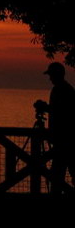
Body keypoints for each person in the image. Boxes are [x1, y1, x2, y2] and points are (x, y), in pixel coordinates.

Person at [40, 62, 75, 193]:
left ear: (56, 75)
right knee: (62, 173)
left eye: (51, 75)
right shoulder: (66, 89)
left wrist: (46, 108)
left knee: (57, 174)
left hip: (65, 140)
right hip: (64, 140)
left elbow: (62, 111)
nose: (50, 78)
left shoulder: (62, 90)